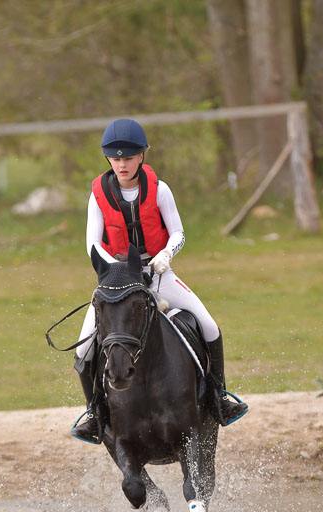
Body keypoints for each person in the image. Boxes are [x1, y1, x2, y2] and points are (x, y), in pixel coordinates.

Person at [72, 117, 248, 443]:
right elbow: (92, 244)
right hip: (116, 285)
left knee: (209, 325)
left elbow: (178, 232)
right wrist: (118, 270)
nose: (122, 164)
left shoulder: (160, 189)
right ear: (108, 159)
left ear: (142, 156)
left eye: (128, 157)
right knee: (83, 348)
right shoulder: (97, 195)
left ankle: (218, 397)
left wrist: (165, 256)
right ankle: (96, 414)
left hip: (159, 276)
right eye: (116, 158)